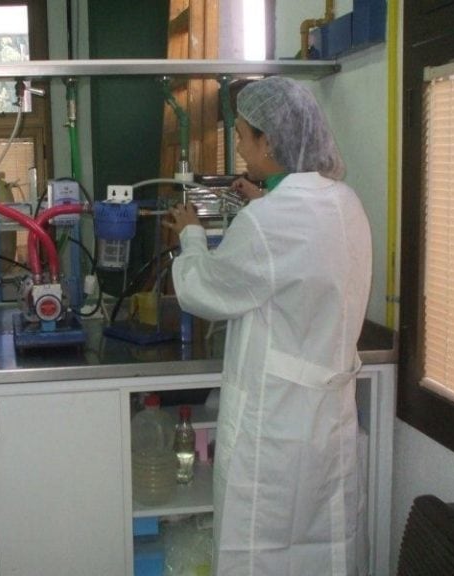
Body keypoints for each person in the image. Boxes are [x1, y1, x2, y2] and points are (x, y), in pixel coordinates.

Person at [163, 76, 372, 576]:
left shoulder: (268, 221)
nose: (237, 143)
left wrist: (192, 235)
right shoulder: (345, 203)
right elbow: (298, 263)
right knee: (323, 545)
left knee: (262, 549)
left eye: (243, 133)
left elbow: (204, 289)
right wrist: (263, 202)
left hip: (274, 425)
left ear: (271, 141)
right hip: (327, 419)